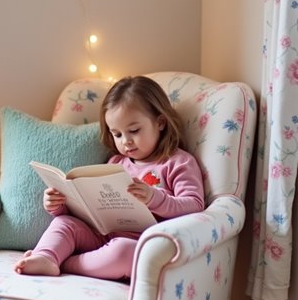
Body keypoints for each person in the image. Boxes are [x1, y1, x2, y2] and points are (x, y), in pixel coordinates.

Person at [14, 76, 205, 280]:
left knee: (122, 251)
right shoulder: (116, 163)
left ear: (160, 122)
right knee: (65, 222)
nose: (126, 142)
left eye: (134, 131)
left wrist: (154, 198)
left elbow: (195, 206)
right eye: (117, 134)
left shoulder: (178, 162)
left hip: (140, 243)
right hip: (102, 235)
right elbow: (90, 210)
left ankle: (64, 263)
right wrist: (58, 204)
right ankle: (46, 257)